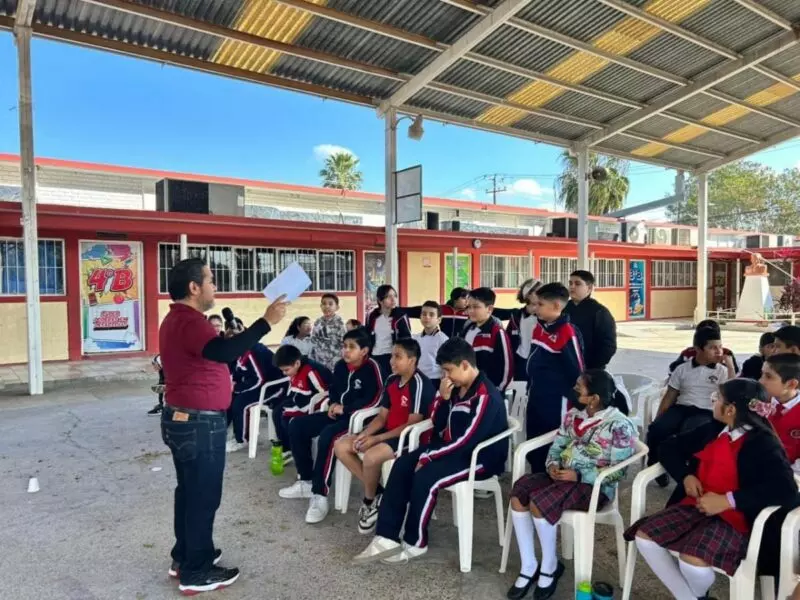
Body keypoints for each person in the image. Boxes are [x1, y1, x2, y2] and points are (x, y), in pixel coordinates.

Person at [159, 258, 288, 594]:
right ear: (194, 287)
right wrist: (266, 322)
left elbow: (217, 351)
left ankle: (185, 556)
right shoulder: (190, 321)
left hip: (184, 419)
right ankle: (196, 571)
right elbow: (224, 352)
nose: (215, 286)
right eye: (211, 280)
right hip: (199, 423)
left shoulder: (177, 319)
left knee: (189, 492)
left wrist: (229, 340)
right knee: (202, 496)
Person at [625, 378, 799, 600]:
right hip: (695, 506)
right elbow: (668, 446)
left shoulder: (763, 443)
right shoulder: (714, 429)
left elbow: (785, 489)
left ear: (730, 409)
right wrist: (685, 475)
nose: (712, 402)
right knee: (644, 537)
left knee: (692, 561)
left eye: (717, 398)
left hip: (737, 519)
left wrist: (728, 500)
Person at [352, 337, 508, 565]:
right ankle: (386, 537)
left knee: (426, 476)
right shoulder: (456, 387)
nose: (446, 377)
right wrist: (443, 399)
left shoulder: (486, 395)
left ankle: (415, 542)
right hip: (450, 448)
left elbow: (467, 440)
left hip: (479, 457)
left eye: (449, 370)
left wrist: (428, 457)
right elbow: (436, 422)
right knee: (402, 464)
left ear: (465, 365)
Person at [506, 370, 636, 600]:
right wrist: (552, 465)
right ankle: (529, 565)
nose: (574, 391)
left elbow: (619, 471)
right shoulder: (574, 416)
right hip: (563, 477)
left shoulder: (619, 425)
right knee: (520, 492)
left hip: (593, 488)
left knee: (540, 502)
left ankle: (549, 567)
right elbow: (557, 446)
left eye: (579, 388)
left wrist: (579, 475)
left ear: (594, 398)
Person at [279, 327, 383, 525]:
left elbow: (376, 399)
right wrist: (334, 403)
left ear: (364, 351)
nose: (346, 350)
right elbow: (334, 389)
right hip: (338, 414)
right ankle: (306, 481)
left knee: (328, 436)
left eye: (351, 347)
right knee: (297, 425)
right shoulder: (341, 366)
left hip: (359, 421)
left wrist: (347, 409)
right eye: (344, 346)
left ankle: (319, 494)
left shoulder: (372, 368)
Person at [334, 338, 434, 534]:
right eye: (391, 356)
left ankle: (369, 500)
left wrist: (376, 439)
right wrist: (365, 434)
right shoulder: (391, 380)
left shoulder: (420, 383)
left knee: (371, 457)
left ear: (412, 360)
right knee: (342, 446)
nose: (391, 361)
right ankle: (380, 493)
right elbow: (381, 417)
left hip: (408, 437)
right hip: (387, 431)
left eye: (398, 357)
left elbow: (412, 423)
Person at [648, 326, 731, 486]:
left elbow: (730, 394)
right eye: (713, 348)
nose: (719, 351)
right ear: (698, 349)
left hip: (706, 411)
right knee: (657, 429)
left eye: (720, 347)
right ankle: (655, 463)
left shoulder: (722, 371)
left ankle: (686, 476)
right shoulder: (682, 369)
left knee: (691, 432)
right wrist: (660, 417)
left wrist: (730, 367)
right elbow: (670, 396)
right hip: (682, 408)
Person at [525, 283, 585, 473]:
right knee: (534, 439)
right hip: (536, 395)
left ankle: (553, 481)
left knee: (553, 442)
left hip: (557, 401)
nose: (535, 309)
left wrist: (577, 401)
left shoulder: (567, 332)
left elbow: (577, 372)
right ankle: (536, 477)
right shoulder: (540, 328)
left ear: (557, 306)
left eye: (540, 304)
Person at [226, 318, 289, 453]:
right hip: (257, 383)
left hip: (274, 386)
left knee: (241, 403)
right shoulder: (234, 350)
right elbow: (235, 372)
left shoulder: (251, 351)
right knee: (228, 398)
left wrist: (236, 387)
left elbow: (258, 379)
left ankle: (242, 440)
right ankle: (228, 431)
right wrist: (232, 384)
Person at [272, 344, 333, 450]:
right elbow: (294, 388)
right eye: (282, 370)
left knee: (285, 417)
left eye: (286, 370)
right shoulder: (295, 367)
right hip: (300, 398)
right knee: (276, 411)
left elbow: (323, 393)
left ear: (297, 363)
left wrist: (297, 408)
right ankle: (287, 447)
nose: (284, 373)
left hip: (314, 402)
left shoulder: (310, 371)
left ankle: (295, 447)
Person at [461, 287, 513, 391]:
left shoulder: (497, 332)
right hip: (467, 388)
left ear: (489, 309)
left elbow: (507, 367)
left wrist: (497, 390)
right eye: (469, 307)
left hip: (489, 391)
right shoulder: (467, 329)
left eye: (476, 307)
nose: (471, 311)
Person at [563, 270, 616, 370]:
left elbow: (608, 346)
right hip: (564, 367)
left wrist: (591, 367)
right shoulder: (563, 308)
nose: (572, 287)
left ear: (589, 288)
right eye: (570, 283)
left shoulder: (599, 312)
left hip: (590, 370)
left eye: (577, 284)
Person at [493, 278, 543, 381]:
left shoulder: (546, 316)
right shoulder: (516, 315)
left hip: (540, 362)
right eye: (538, 291)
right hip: (521, 362)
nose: (542, 294)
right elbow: (509, 341)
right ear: (528, 294)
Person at [761, 352, 800, 470]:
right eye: (762, 374)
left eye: (768, 377)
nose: (761, 381)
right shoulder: (759, 402)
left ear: (791, 384)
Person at [366, 284, 412, 376]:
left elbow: (407, 339)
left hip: (392, 357)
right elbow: (367, 336)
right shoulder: (372, 316)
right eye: (388, 297)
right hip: (374, 356)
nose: (393, 299)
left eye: (395, 296)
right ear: (380, 300)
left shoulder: (400, 316)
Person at [668, 319, 738, 375]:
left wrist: (730, 367)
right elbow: (673, 371)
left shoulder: (726, 354)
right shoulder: (688, 353)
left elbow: (736, 376)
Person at [412, 300, 448, 389]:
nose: (427, 317)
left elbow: (447, 364)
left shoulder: (443, 339)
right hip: (417, 378)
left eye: (431, 315)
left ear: (439, 320)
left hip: (435, 380)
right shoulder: (415, 338)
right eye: (424, 314)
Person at [310, 293, 347, 371]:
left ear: (337, 307)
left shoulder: (339, 324)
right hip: (318, 362)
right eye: (324, 304)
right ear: (321, 306)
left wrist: (334, 363)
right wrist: (312, 360)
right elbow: (313, 341)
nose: (327, 306)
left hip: (334, 364)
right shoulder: (318, 322)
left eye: (330, 304)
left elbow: (343, 345)